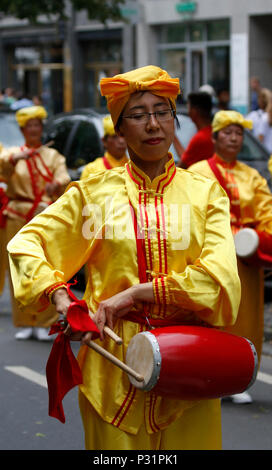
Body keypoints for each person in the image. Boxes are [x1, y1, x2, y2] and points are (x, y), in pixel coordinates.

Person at [7, 66, 240, 450]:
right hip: (112, 364)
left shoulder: (205, 194)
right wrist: (60, 297)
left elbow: (219, 280)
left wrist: (137, 294)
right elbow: (27, 242)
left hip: (191, 360)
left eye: (162, 112)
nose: (153, 124)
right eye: (138, 115)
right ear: (119, 128)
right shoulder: (95, 195)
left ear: (174, 121)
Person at [189, 110, 272, 403]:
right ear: (215, 138)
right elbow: (191, 213)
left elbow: (266, 213)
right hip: (212, 256)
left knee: (245, 318)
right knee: (212, 315)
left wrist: (259, 240)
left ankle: (238, 379)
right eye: (228, 133)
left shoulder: (253, 176)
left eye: (239, 133)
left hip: (246, 260)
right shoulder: (198, 172)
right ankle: (209, 374)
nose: (234, 139)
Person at [0, 105, 71, 341]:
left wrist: (56, 184)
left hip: (44, 214)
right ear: (22, 129)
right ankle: (25, 321)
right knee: (18, 270)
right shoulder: (13, 153)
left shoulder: (51, 154)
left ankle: (45, 322)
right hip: (17, 214)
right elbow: (3, 167)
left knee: (47, 266)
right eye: (29, 126)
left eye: (37, 125)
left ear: (41, 127)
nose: (33, 129)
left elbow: (63, 175)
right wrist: (15, 157)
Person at [80, 115, 128, 179]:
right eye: (114, 136)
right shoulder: (92, 170)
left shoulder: (136, 167)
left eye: (123, 135)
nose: (121, 141)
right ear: (104, 141)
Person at [175, 92, 214, 169]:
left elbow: (182, 165)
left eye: (188, 108)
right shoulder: (214, 133)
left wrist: (172, 135)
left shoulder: (200, 138)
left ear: (194, 111)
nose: (188, 112)